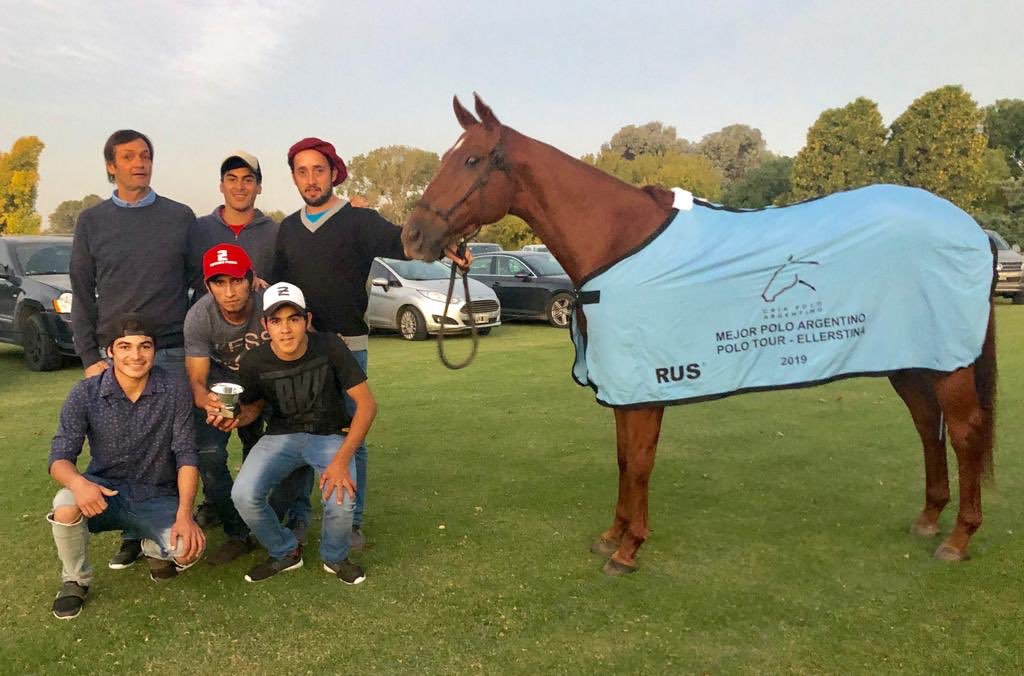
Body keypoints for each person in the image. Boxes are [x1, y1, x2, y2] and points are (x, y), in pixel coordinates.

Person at [273, 138, 470, 550]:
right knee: (299, 434)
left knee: (351, 435)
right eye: (302, 172)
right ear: (294, 177)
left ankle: (352, 522)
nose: (311, 179)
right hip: (300, 352)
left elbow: (406, 241)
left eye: (318, 170)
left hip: (347, 346)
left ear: (333, 173)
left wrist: (444, 245)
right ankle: (297, 518)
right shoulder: (287, 229)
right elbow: (278, 286)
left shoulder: (359, 220)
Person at [70, 129, 198, 569]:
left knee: (169, 448)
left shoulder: (180, 217)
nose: (139, 163)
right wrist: (90, 359)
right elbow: (83, 295)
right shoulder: (91, 222)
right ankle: (132, 531)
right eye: (128, 157)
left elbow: (201, 286)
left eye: (145, 156)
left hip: (172, 350)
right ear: (111, 166)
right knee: (118, 448)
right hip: (115, 356)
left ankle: (159, 527)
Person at [47, 314, 204, 620]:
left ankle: (152, 546)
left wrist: (186, 514)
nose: (136, 355)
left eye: (145, 346)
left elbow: (186, 455)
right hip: (104, 492)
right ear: (110, 351)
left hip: (156, 492)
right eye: (125, 346)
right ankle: (75, 581)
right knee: (64, 505)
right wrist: (79, 484)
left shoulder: (174, 389)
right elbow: (59, 457)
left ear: (154, 351)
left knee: (186, 548)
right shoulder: (85, 393)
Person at [216, 282, 375, 583]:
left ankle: (335, 557)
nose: (285, 329)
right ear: (265, 325)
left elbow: (367, 405)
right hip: (281, 435)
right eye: (276, 321)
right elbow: (251, 408)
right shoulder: (254, 361)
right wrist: (231, 417)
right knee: (243, 495)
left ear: (307, 321)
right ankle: (285, 552)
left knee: (340, 498)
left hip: (329, 434)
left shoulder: (329, 346)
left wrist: (341, 460)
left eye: (293, 319)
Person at [184, 244, 311, 563]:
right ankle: (235, 531)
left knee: (298, 437)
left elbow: (296, 359)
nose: (229, 292)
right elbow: (197, 381)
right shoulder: (199, 315)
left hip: (271, 382)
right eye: (219, 282)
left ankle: (278, 519)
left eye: (237, 280)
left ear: (252, 279)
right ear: (208, 285)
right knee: (209, 454)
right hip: (222, 383)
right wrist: (210, 404)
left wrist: (252, 409)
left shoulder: (270, 308)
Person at [190, 151, 278, 294]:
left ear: (259, 187)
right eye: (232, 179)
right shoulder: (198, 229)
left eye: (247, 180)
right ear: (221, 186)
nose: (239, 186)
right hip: (208, 316)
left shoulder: (276, 233)